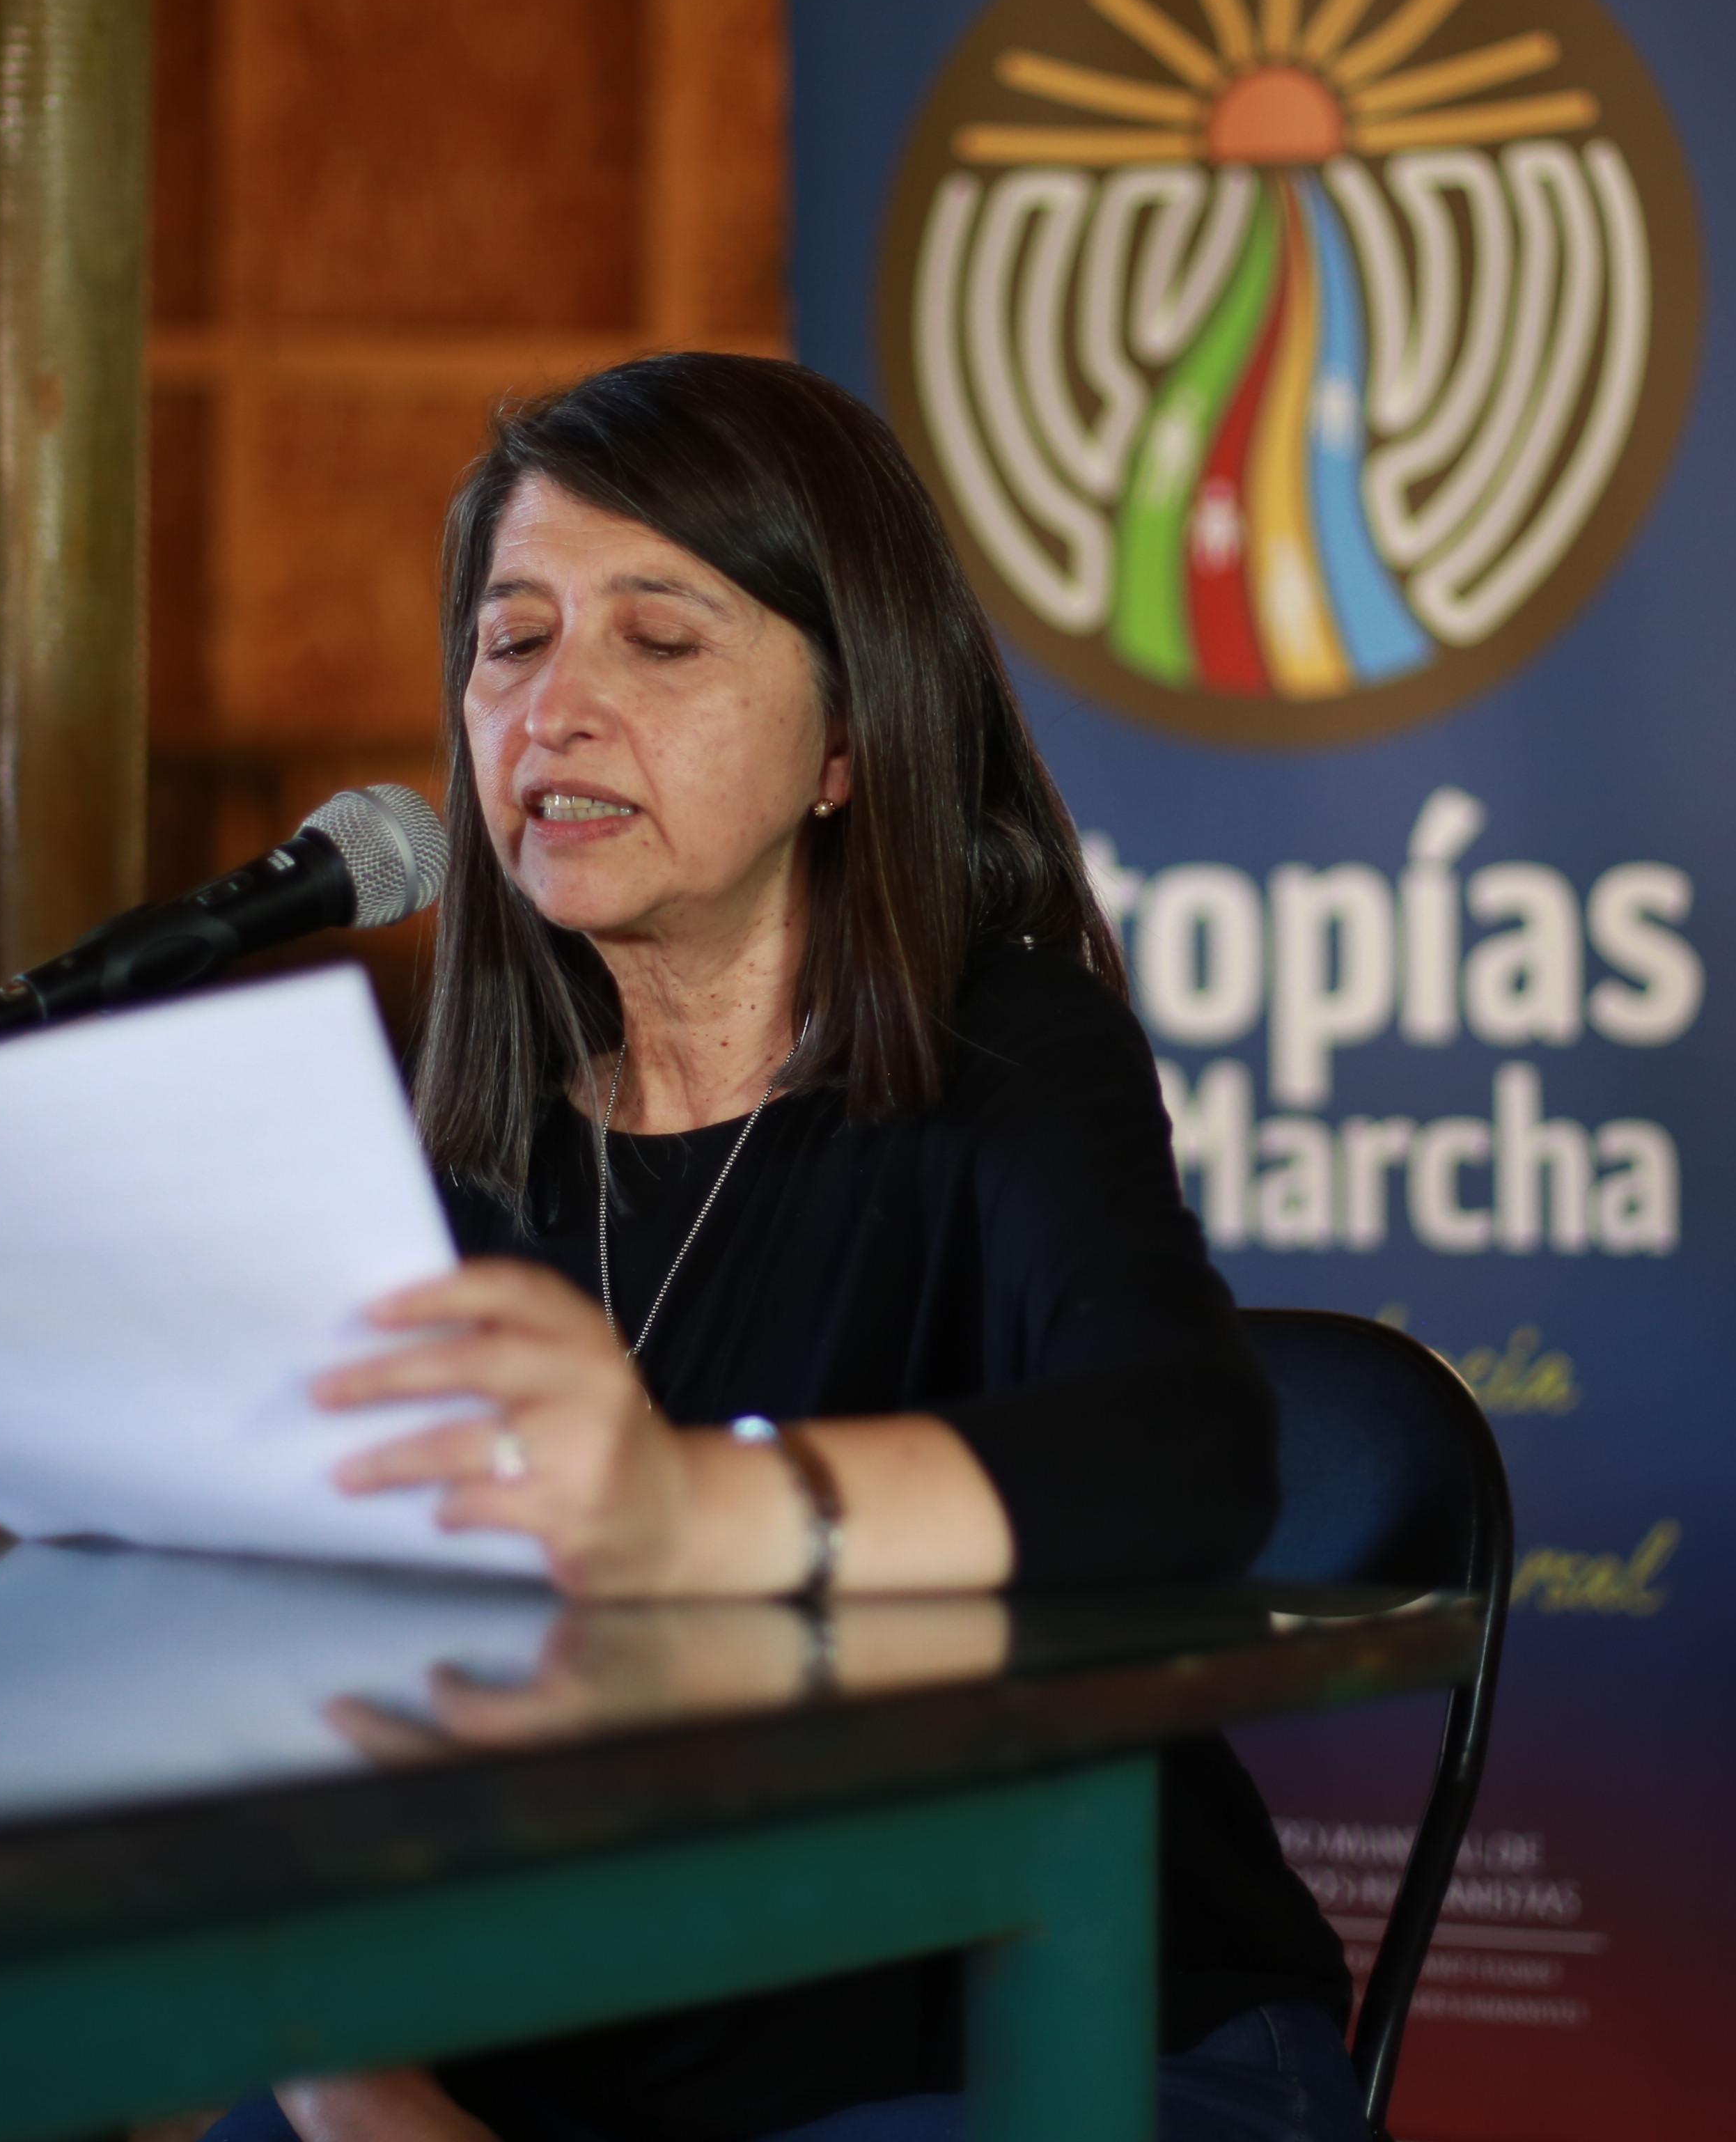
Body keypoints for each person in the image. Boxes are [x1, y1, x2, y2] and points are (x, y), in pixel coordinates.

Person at [207, 354, 1365, 2142]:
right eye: (514, 643)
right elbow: (315, 1714)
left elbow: (1188, 1455)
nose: (557, 709)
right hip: (581, 2046)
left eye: (660, 643)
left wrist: (691, 1517)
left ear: (846, 742)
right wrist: (360, 2093)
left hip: (1037, 2029)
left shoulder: (1005, 1053)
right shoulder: (455, 1167)